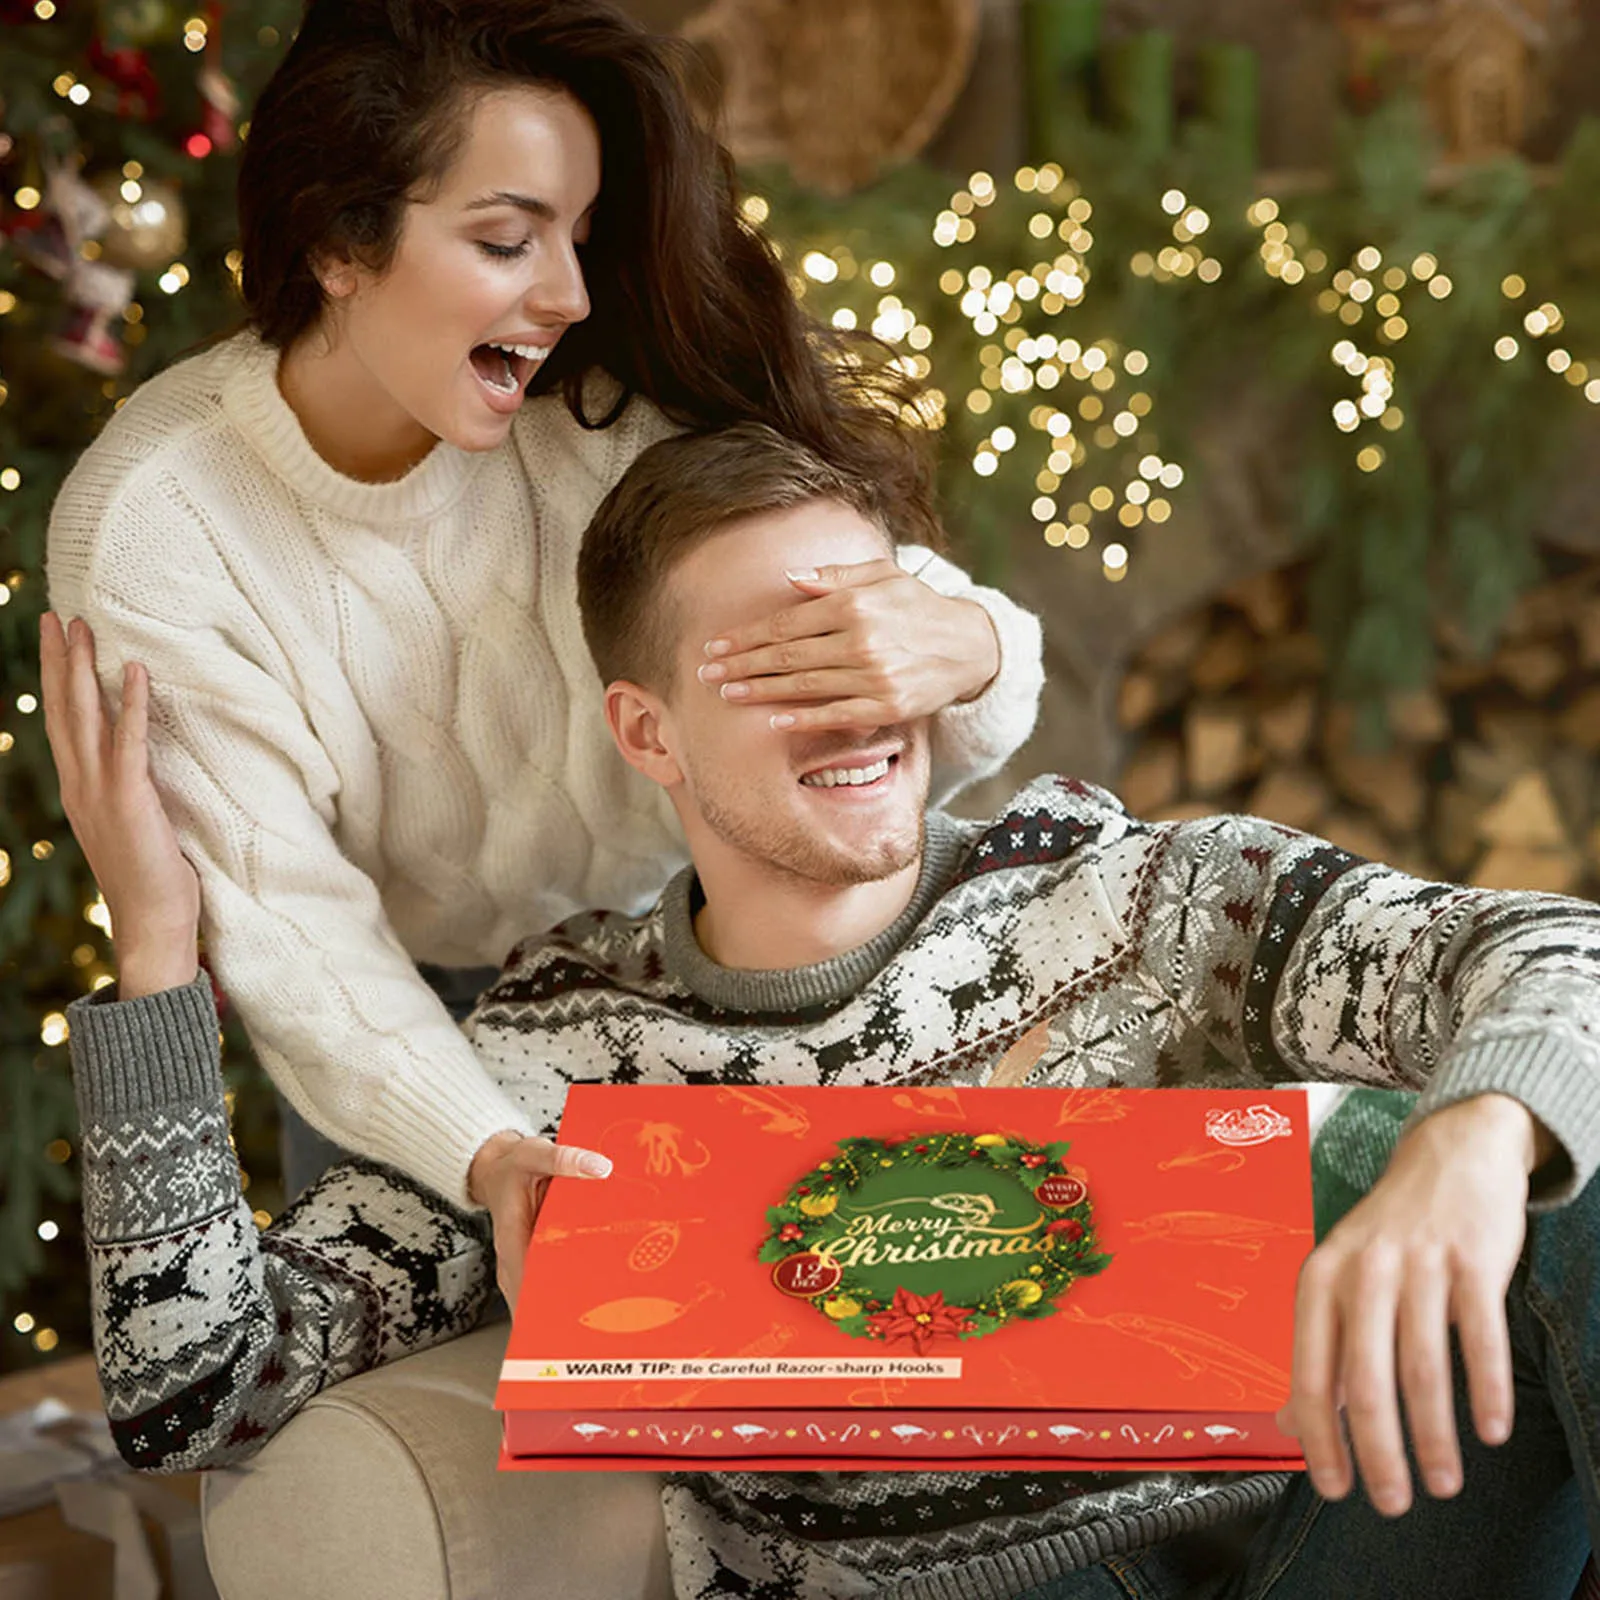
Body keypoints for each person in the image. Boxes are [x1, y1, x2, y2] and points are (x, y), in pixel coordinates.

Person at [54, 426, 1598, 1600]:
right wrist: (160, 957)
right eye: (782, 662)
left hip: (1337, 1535)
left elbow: (1552, 953)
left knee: (1569, 1168)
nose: (855, 698)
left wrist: (1470, 1143)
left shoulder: (1143, 896)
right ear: (648, 732)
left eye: (868, 640)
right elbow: (199, 1391)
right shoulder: (552, 1059)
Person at [42, 0, 1045, 1302]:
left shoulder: (613, 406)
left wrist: (967, 643)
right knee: (423, 1380)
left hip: (694, 961)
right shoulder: (156, 525)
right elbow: (289, 926)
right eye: (507, 240)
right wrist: (487, 1149)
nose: (567, 294)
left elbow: (899, 670)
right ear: (340, 241)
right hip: (397, 1013)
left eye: (578, 235)